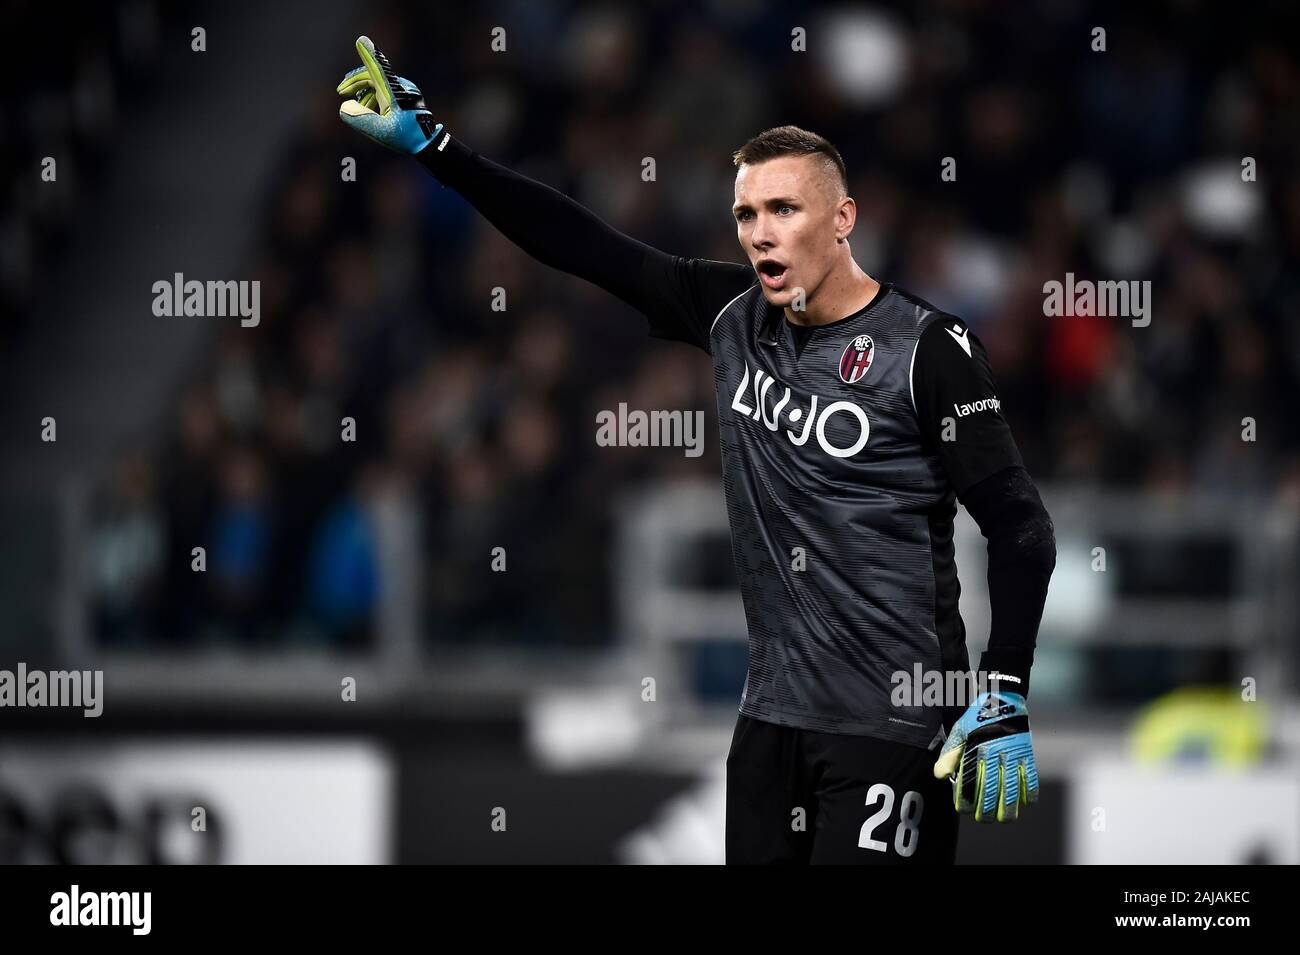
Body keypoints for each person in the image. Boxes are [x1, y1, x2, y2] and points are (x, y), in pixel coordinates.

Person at [336, 36, 1057, 864]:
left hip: (891, 727)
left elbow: (1020, 526)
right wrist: (439, 149)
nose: (760, 234)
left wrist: (1004, 686)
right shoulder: (730, 315)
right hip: (769, 726)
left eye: (784, 209)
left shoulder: (930, 348)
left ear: (844, 218)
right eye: (746, 214)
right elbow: (580, 243)